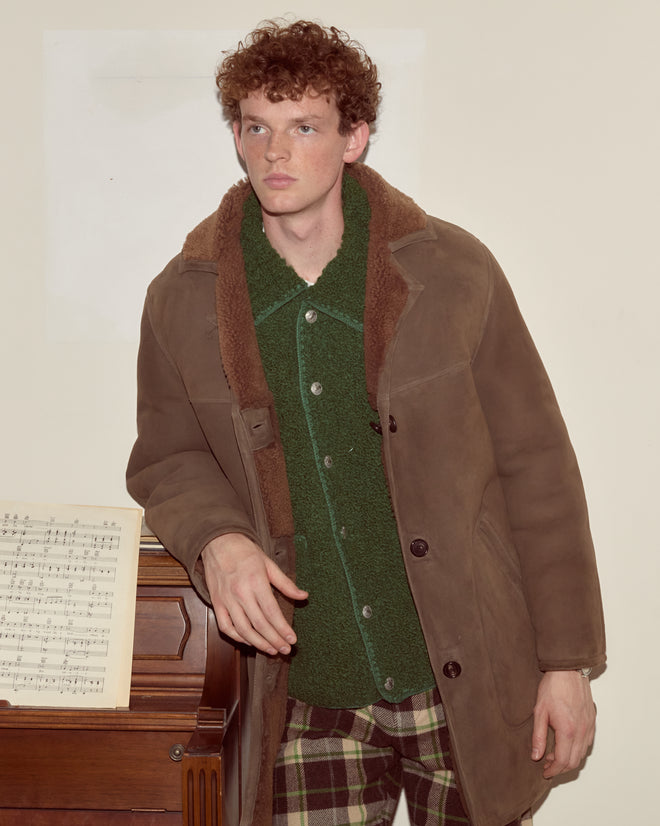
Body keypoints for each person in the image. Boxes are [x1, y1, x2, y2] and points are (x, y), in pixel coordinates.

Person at [126, 19, 605, 826]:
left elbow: (538, 467)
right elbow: (167, 457)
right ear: (236, 138)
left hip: (461, 673)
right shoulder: (183, 297)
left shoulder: (452, 272)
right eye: (256, 128)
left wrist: (566, 663)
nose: (276, 153)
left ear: (355, 138)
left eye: (304, 128)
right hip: (306, 691)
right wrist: (218, 540)